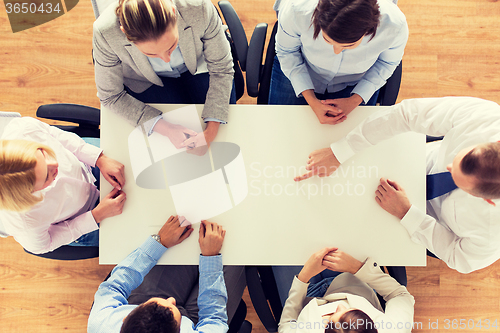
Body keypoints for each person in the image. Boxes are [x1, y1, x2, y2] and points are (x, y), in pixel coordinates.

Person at [295, 96, 500, 273]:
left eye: (457, 179)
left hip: (417, 224)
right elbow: (407, 114)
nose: (447, 167)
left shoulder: (493, 232)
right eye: (456, 160)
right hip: (410, 159)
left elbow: (459, 258)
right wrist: (340, 151)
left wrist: (407, 214)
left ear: (488, 201)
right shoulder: (488, 118)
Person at [93, 0, 235, 152]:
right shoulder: (105, 31)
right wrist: (166, 128)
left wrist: (210, 132)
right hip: (145, 79)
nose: (166, 59)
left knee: (227, 132)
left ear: (174, 14)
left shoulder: (198, 7)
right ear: (124, 32)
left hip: (198, 64)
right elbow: (110, 96)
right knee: (171, 146)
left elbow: (221, 68)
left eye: (172, 46)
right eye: (151, 54)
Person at [88, 216, 246, 333]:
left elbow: (115, 286)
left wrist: (159, 242)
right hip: (199, 323)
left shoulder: (102, 323)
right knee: (237, 248)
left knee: (185, 236)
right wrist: (211, 258)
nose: (172, 300)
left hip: (142, 301)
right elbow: (214, 319)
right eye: (172, 305)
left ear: (125, 319)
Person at [269, 0, 408, 125]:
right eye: (327, 40)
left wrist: (355, 100)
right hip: (302, 67)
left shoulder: (394, 25)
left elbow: (386, 63)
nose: (336, 51)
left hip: (357, 82)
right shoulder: (296, 8)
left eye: (349, 46)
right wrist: (311, 100)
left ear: (370, 29)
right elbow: (287, 52)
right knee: (280, 128)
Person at [0, 117, 126, 254]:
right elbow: (44, 245)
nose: (55, 164)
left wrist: (98, 158)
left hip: (84, 160)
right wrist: (96, 216)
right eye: (47, 176)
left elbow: (56, 135)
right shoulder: (23, 222)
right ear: (31, 192)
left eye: (43, 153)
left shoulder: (23, 129)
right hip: (85, 215)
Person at [275, 247, 414, 333]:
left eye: (330, 320)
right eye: (354, 312)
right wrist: (356, 267)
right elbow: (399, 295)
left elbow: (286, 325)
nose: (340, 305)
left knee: (281, 241)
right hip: (350, 278)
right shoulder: (391, 330)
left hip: (305, 296)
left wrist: (303, 277)